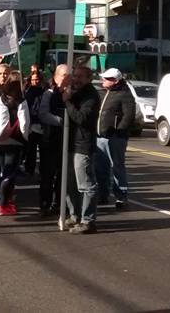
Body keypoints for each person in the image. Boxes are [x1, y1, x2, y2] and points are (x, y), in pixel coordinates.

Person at [63, 65, 100, 234]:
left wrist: (68, 101)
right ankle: (74, 215)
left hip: (83, 146)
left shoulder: (91, 96)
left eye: (79, 77)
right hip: (70, 144)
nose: (75, 79)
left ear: (88, 79)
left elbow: (81, 118)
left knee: (86, 185)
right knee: (70, 184)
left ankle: (88, 221)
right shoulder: (76, 93)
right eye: (74, 76)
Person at [0, 72, 30, 216]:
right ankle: (3, 204)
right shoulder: (21, 102)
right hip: (15, 141)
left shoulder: (1, 98)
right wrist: (25, 139)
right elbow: (24, 125)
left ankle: (6, 200)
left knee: (3, 171)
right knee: (9, 174)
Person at [94, 68, 135, 210]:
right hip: (100, 137)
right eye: (103, 78)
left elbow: (129, 116)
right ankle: (102, 194)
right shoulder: (102, 93)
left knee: (117, 167)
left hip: (115, 138)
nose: (103, 80)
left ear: (115, 80)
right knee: (100, 168)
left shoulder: (125, 94)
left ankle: (121, 197)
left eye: (106, 78)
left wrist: (118, 132)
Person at [37, 65, 69, 217]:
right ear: (56, 77)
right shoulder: (49, 94)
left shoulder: (71, 94)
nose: (67, 78)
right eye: (64, 75)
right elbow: (43, 114)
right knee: (48, 176)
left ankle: (59, 204)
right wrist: (62, 121)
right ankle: (45, 204)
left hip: (67, 142)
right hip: (50, 141)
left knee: (63, 176)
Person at [23, 70, 45, 175]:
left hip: (42, 124)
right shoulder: (28, 92)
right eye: (33, 80)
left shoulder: (44, 91)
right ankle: (29, 169)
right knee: (31, 149)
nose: (35, 82)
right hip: (32, 124)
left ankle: (42, 170)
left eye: (37, 80)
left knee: (42, 149)